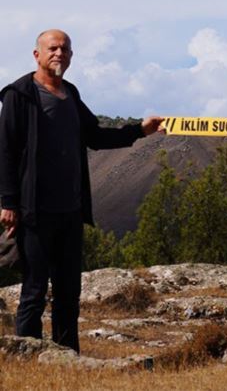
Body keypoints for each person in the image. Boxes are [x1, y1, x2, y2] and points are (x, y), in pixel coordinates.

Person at [0, 29, 164, 353]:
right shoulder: (19, 95)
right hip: (34, 211)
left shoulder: (70, 94)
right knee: (33, 290)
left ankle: (66, 355)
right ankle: (28, 355)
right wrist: (8, 202)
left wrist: (140, 131)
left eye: (65, 49)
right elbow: (5, 150)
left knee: (68, 292)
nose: (59, 53)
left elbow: (96, 136)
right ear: (37, 55)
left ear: (72, 57)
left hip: (70, 211)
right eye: (52, 48)